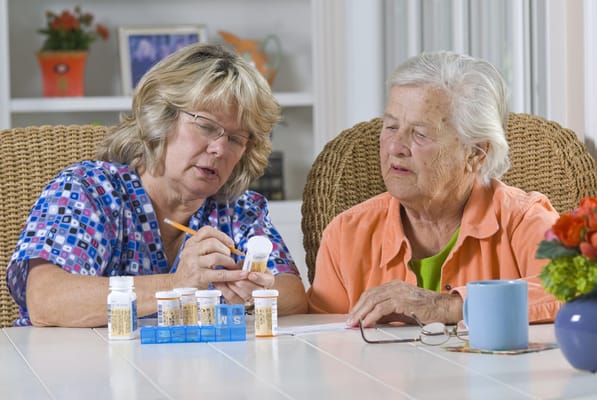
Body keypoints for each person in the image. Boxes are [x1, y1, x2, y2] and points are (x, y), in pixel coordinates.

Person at [7, 42, 308, 327]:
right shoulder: (90, 190)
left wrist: (249, 295)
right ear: (161, 118)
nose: (220, 149)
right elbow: (46, 300)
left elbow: (294, 293)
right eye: (205, 126)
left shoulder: (239, 209)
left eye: (235, 139)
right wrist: (178, 284)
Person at [307, 51, 561, 328]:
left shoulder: (523, 221)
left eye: (420, 134)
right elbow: (322, 340)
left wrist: (450, 306)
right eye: (391, 126)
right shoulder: (346, 235)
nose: (394, 147)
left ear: (476, 154)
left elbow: (578, 294)